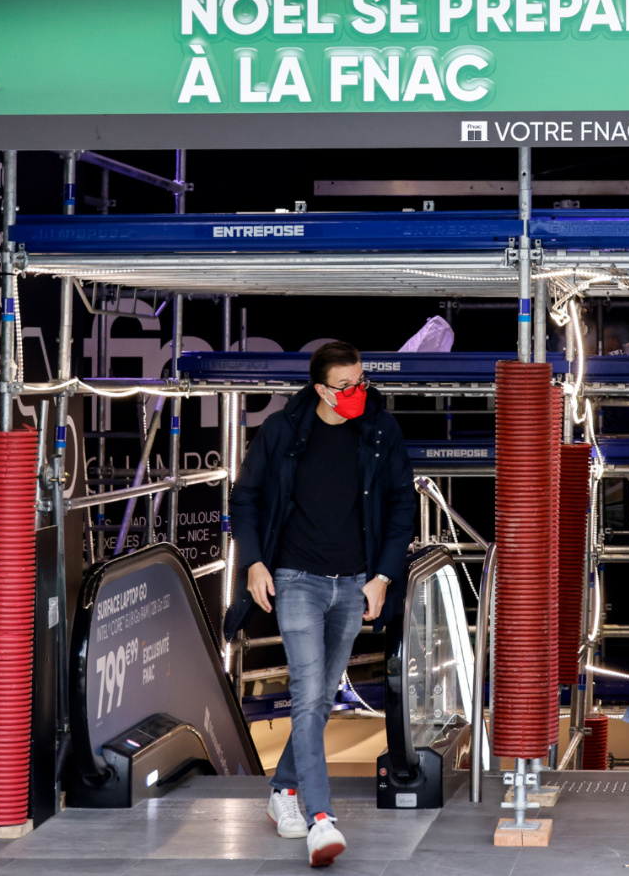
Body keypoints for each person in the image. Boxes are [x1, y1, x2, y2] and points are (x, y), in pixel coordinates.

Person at [226, 341, 416, 868]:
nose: (358, 392)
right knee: (310, 694)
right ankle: (321, 819)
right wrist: (256, 563)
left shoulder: (380, 431)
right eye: (347, 385)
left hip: (354, 585)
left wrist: (382, 577)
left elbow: (402, 505)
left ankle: (283, 791)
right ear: (320, 389)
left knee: (321, 695)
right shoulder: (283, 431)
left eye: (362, 382)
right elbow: (246, 498)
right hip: (296, 581)